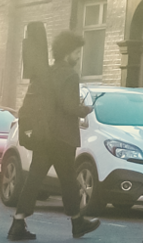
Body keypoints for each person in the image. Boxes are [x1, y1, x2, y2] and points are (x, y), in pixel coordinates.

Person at [9, 30, 100, 242]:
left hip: (43, 136)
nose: (78, 56)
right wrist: (84, 109)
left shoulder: (46, 72)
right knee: (68, 180)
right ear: (67, 52)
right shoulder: (70, 74)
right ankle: (77, 222)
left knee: (34, 178)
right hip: (62, 137)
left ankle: (18, 222)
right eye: (77, 52)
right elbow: (67, 105)